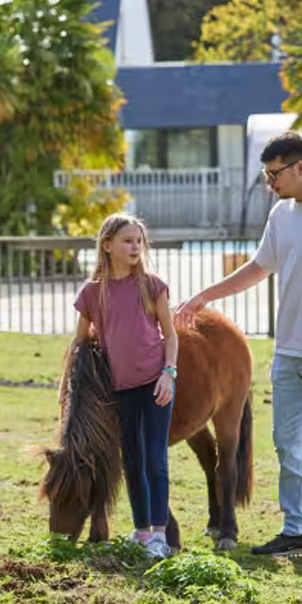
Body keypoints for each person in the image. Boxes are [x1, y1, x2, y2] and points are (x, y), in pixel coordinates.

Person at [176, 131, 302, 564]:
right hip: (289, 352)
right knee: (288, 443)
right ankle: (299, 530)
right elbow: (259, 267)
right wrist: (204, 296)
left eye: (274, 174)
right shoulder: (281, 214)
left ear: (301, 167)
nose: (270, 183)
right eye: (266, 175)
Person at [66, 213, 178, 560]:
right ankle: (141, 532)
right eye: (127, 241)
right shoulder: (91, 293)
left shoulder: (152, 286)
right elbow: (81, 341)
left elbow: (170, 335)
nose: (135, 247)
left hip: (155, 384)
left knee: (155, 460)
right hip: (121, 389)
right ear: (107, 245)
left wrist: (169, 373)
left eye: (139, 241)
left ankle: (159, 535)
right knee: (131, 460)